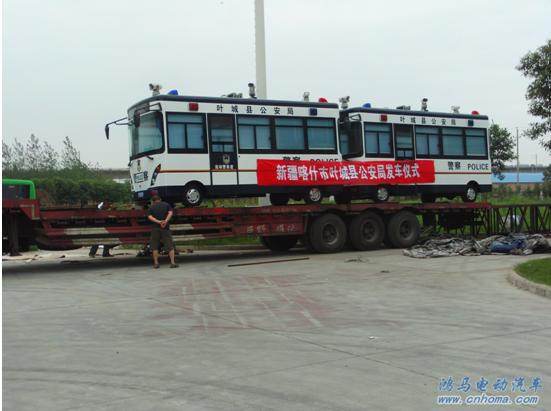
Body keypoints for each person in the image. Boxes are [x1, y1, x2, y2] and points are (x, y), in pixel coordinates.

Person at [147, 195, 178, 269]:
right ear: (160, 199)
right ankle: (173, 263)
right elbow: (170, 213)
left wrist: (159, 222)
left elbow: (150, 217)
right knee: (170, 246)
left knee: (155, 247)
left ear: (153, 201)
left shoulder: (151, 207)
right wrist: (165, 221)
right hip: (165, 228)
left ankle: (156, 264)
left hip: (155, 228)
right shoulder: (166, 204)